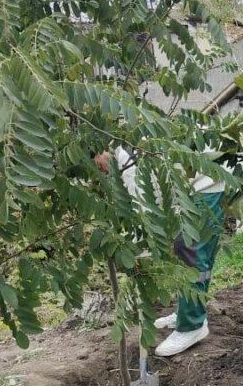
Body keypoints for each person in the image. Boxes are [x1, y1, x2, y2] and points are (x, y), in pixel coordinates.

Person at [94, 148, 225, 358]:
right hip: (185, 190)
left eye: (98, 163)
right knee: (187, 253)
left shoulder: (128, 163)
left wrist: (138, 260)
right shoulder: (124, 150)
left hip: (203, 188)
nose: (101, 170)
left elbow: (144, 213)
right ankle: (187, 311)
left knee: (192, 254)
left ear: (103, 153)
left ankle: (192, 326)